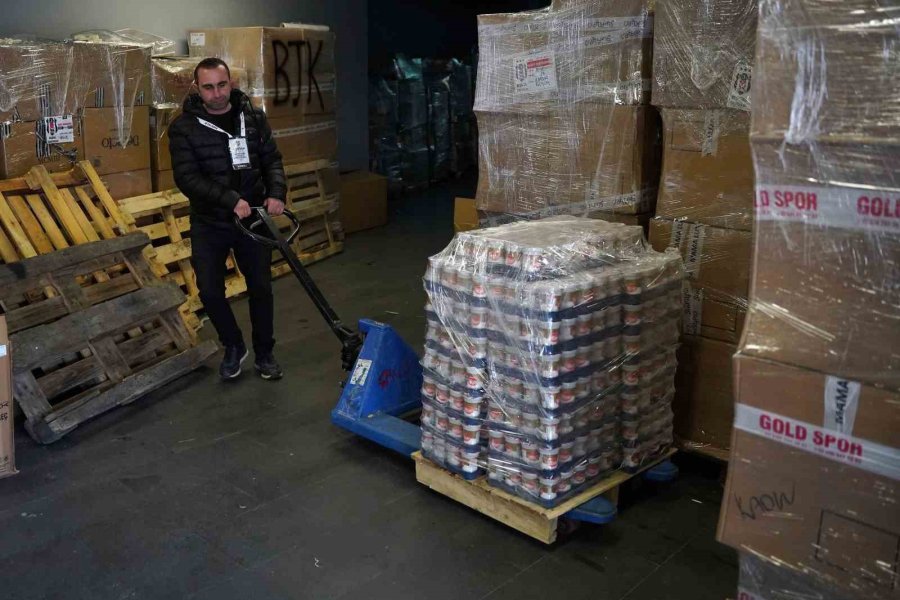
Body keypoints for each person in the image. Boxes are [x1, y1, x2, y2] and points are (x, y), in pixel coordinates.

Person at [168, 57, 287, 381]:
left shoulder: (254, 118)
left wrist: (276, 192)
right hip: (211, 222)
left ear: (230, 83)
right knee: (209, 291)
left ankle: (264, 353)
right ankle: (233, 345)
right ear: (197, 88)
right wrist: (230, 200)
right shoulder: (183, 128)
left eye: (222, 85)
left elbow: (272, 160)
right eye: (208, 87)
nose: (217, 93)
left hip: (253, 220)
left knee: (261, 287)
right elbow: (187, 178)